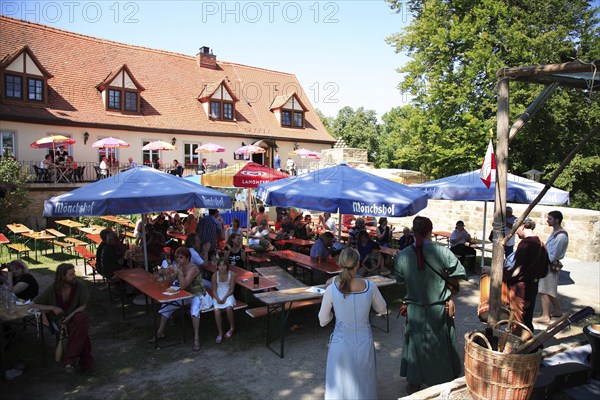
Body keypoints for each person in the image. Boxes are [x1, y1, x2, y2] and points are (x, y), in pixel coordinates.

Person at [394, 216, 465, 393]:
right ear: (430, 231)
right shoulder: (442, 252)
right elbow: (459, 272)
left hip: (415, 309)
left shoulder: (402, 255)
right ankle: (441, 381)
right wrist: (449, 294)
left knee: (416, 344)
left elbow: (401, 280)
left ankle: (415, 381)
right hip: (438, 309)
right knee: (438, 344)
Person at [318, 248, 387, 399]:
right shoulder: (370, 286)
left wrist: (333, 314)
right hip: (364, 339)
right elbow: (382, 309)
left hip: (340, 340)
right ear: (357, 264)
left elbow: (322, 320)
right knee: (364, 379)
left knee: (340, 383)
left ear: (341, 264)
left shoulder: (332, 289)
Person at [33, 263, 94, 373]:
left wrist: (70, 316)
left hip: (73, 316)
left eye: (74, 273)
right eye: (71, 274)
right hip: (58, 320)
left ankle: (69, 362)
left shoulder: (79, 286)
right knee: (81, 331)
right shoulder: (54, 288)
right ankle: (86, 363)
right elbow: (34, 304)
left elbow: (83, 305)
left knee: (81, 319)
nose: (74, 276)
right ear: (63, 277)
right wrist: (52, 307)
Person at [151, 247, 213, 352]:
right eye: (177, 257)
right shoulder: (177, 266)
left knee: (194, 310)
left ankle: (196, 338)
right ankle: (160, 332)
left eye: (181, 257)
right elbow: (170, 282)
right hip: (185, 295)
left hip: (197, 294)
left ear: (187, 258)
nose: (178, 260)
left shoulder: (193, 268)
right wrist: (169, 271)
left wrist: (179, 273)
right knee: (168, 304)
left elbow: (184, 285)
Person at [503, 219, 548, 333]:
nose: (515, 233)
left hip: (521, 289)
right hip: (533, 287)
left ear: (522, 227)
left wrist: (499, 273)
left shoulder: (525, 244)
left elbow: (516, 270)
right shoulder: (542, 244)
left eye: (516, 229)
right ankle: (531, 346)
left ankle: (519, 347)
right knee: (526, 319)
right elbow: (545, 271)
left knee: (517, 321)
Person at [536, 211, 569, 324]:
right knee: (550, 290)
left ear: (557, 220)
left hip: (550, 266)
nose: (547, 221)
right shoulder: (556, 232)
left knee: (544, 290)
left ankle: (545, 316)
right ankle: (558, 311)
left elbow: (552, 255)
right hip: (548, 264)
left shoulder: (561, 236)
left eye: (550, 219)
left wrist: (541, 255)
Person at [211, 258, 236, 343]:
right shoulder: (214, 275)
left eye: (224, 265)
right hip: (218, 294)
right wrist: (217, 298)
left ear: (227, 266)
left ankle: (232, 328)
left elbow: (232, 289)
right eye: (220, 265)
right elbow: (214, 290)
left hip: (228, 294)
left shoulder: (232, 274)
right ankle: (220, 333)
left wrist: (225, 297)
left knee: (229, 308)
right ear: (217, 266)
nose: (222, 267)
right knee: (217, 310)